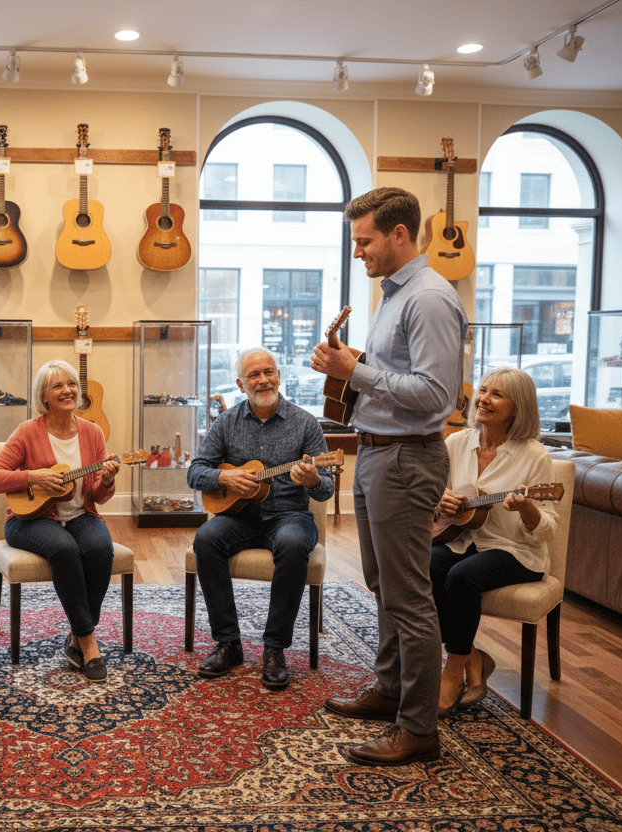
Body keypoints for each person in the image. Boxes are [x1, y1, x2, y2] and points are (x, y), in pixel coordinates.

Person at [311, 186, 468, 766]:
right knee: (383, 585)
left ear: (399, 234)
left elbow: (436, 395)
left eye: (364, 240)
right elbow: (390, 376)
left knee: (409, 597)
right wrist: (348, 368)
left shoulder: (427, 299)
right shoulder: (393, 296)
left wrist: (358, 370)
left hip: (406, 458)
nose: (358, 252)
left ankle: (418, 729)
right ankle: (389, 690)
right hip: (377, 453)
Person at [186, 347, 335, 690]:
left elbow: (325, 489)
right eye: (254, 375)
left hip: (290, 516)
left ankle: (274, 649)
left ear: (278, 376)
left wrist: (312, 479)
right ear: (241, 384)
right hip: (241, 517)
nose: (263, 380)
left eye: (269, 372)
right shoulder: (226, 422)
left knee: (294, 542)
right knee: (206, 538)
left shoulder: (305, 423)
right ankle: (229, 643)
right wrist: (223, 479)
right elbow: (195, 472)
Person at [0, 360, 121, 682]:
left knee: (100, 548)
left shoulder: (93, 432)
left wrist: (109, 480)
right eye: (57, 386)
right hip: (29, 519)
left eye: (71, 384)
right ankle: (87, 641)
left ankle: (76, 635)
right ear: (43, 396)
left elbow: (98, 496)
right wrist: (33, 477)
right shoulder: (28, 432)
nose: (67, 390)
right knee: (65, 550)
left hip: (80, 514)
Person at [432, 368, 557, 716]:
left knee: (461, 577)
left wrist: (529, 509)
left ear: (518, 408)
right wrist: (442, 499)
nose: (484, 399)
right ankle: (475, 658)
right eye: (483, 391)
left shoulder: (535, 456)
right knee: (423, 567)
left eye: (497, 394)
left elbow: (548, 527)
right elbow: (433, 492)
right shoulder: (457, 442)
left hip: (515, 551)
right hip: (462, 540)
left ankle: (453, 671)